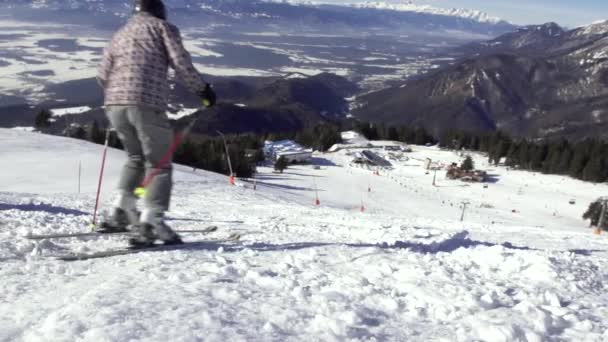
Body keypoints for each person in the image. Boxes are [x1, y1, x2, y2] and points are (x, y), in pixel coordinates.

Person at [97, 0, 216, 247]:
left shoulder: (121, 32)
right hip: (146, 103)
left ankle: (120, 211)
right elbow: (180, 63)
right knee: (159, 164)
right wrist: (203, 90)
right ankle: (151, 222)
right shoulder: (163, 28)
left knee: (135, 158)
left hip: (114, 105)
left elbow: (102, 74)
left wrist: (118, 93)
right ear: (159, 11)